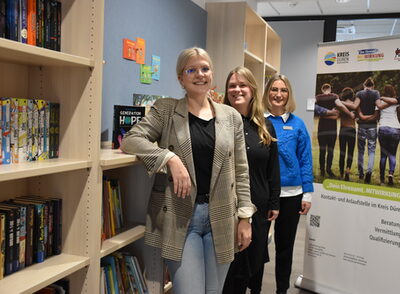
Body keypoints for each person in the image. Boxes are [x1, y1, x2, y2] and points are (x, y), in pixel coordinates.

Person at [121, 47, 256, 294]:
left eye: (204, 68)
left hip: (223, 217)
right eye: (191, 70)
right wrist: (168, 157)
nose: (199, 74)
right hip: (182, 216)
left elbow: (241, 171)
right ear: (181, 78)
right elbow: (131, 139)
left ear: (212, 73)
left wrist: (245, 216)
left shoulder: (231, 117)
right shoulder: (167, 110)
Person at [222, 67, 281, 294]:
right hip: (227, 206)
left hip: (259, 206)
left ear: (252, 90)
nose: (237, 90)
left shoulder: (265, 126)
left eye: (242, 85)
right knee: (231, 268)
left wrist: (274, 203)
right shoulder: (218, 122)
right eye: (232, 86)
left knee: (254, 265)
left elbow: (272, 168)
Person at [263, 74, 314, 294]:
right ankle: (254, 288)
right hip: (264, 194)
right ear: (267, 93)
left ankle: (281, 290)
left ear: (288, 94)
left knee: (285, 248)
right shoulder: (259, 121)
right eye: (274, 89)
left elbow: (305, 159)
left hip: (292, 194)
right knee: (257, 248)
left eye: (283, 90)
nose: (278, 94)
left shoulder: (298, 124)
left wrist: (307, 194)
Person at [355, 77, 381, 184]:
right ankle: (369, 172)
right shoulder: (376, 93)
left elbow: (356, 107)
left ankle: (361, 172)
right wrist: (372, 117)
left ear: (364, 85)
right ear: (373, 85)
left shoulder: (359, 93)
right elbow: (378, 108)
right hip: (372, 126)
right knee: (371, 151)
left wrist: (362, 116)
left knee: (361, 150)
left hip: (361, 125)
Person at [377, 84, 400, 185]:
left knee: (383, 155)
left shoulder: (380, 101)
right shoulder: (396, 102)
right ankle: (390, 174)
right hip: (395, 128)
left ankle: (382, 178)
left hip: (383, 127)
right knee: (392, 154)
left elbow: (377, 115)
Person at [315, 83, 339, 177]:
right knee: (331, 150)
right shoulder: (334, 96)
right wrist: (331, 114)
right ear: (330, 89)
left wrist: (323, 115)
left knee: (322, 150)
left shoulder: (318, 97)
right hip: (332, 127)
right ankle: (329, 169)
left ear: (322, 89)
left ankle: (322, 171)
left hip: (322, 127)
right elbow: (337, 114)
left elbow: (314, 108)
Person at [336, 87, 357, 181]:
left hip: (343, 129)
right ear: (352, 95)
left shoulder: (340, 105)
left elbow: (337, 115)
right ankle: (347, 170)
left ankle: (341, 172)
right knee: (350, 152)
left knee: (342, 151)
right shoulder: (354, 104)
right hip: (352, 129)